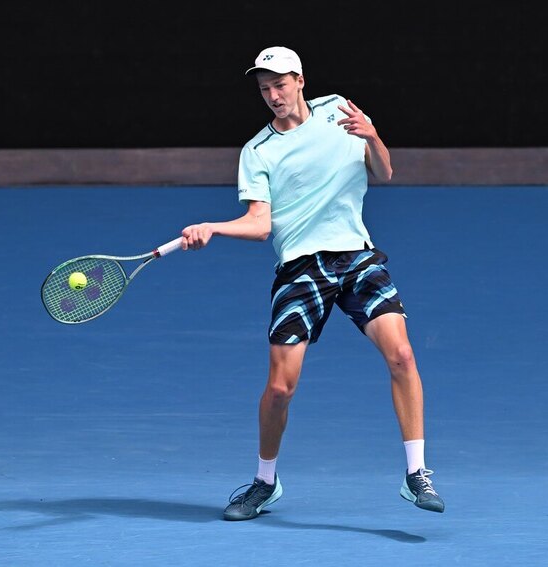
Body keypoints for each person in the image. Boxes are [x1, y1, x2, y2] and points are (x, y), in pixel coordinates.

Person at [179, 46, 443, 520]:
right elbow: (260, 225)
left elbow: (383, 171)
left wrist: (373, 135)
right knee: (280, 388)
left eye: (280, 84)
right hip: (301, 269)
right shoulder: (257, 151)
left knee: (402, 354)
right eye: (264, 89)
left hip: (356, 256)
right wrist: (214, 227)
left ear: (300, 80)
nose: (273, 95)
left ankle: (416, 474)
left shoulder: (339, 109)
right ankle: (264, 482)